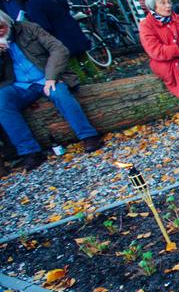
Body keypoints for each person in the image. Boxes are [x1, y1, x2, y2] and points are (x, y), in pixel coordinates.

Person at [0, 10, 103, 171]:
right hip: (19, 85)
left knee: (59, 93)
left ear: (7, 22)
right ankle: (30, 151)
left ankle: (89, 135)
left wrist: (51, 76)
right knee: (2, 101)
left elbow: (58, 49)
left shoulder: (28, 28)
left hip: (45, 76)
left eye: (1, 26)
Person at [0, 0, 91, 61]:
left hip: (55, 39)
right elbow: (64, 5)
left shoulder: (28, 1)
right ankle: (94, 76)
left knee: (73, 66)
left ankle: (90, 76)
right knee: (84, 61)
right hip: (70, 34)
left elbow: (43, 25)